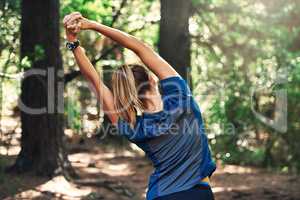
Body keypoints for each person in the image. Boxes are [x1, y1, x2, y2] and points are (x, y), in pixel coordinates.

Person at [63, 12, 216, 200]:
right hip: (198, 193)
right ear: (152, 79)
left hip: (162, 195)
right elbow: (139, 47)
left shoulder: (135, 126)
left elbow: (95, 81)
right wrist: (92, 24)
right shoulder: (181, 98)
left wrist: (72, 41)